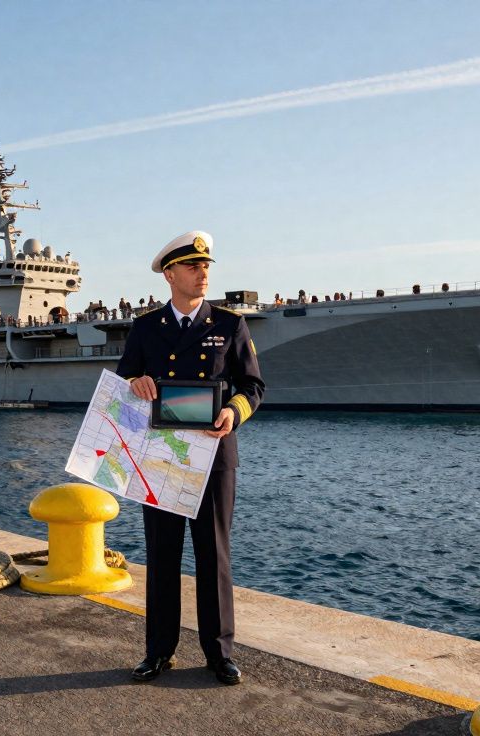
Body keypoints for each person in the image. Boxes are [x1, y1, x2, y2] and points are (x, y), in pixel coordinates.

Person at [117, 230, 265, 687]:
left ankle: (219, 654)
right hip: (161, 457)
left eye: (205, 266)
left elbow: (253, 386)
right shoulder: (145, 328)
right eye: (192, 266)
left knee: (213, 555)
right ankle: (158, 652)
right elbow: (123, 381)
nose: (203, 273)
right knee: (162, 555)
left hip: (214, 455)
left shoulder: (230, 325)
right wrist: (136, 382)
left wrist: (232, 412)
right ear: (170, 274)